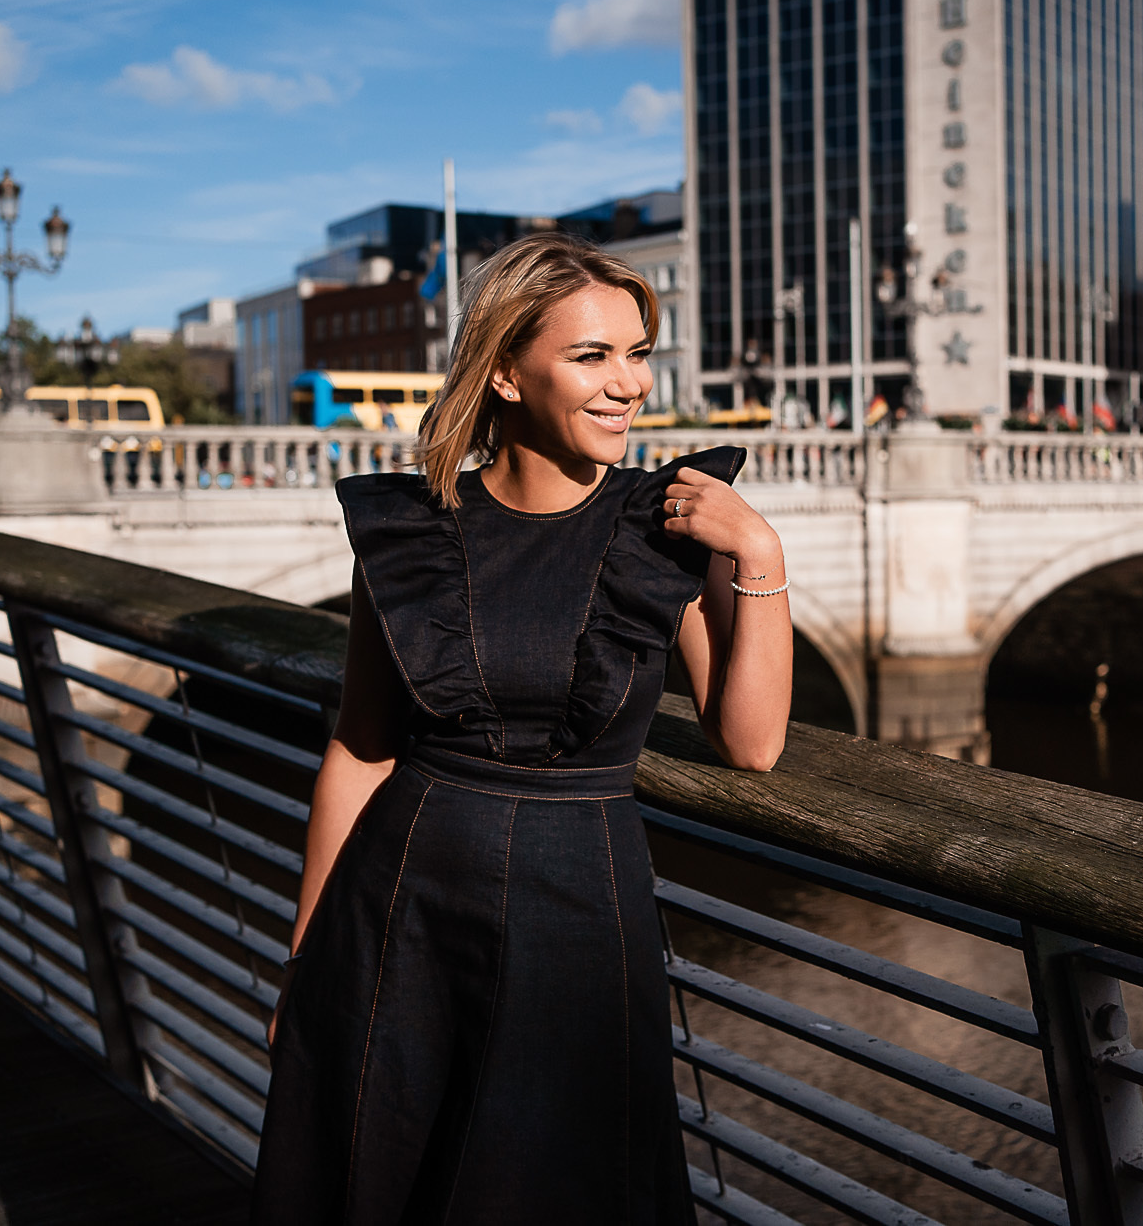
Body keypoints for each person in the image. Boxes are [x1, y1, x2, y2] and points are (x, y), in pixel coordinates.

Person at [252, 233, 792, 1224]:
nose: (626, 383)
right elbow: (361, 748)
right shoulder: (414, 531)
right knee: (390, 1170)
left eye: (637, 353)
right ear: (502, 370)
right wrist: (303, 956)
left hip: (583, 905)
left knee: (570, 1182)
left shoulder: (662, 524)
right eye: (592, 357)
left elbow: (750, 742)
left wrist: (756, 551)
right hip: (404, 901)